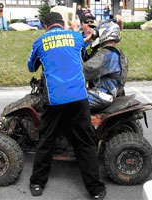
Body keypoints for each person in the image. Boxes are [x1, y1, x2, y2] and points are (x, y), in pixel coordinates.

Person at [27, 12, 106, 200]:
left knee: (46, 140)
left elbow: (31, 67)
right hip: (78, 98)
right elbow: (86, 45)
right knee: (85, 142)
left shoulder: (40, 41)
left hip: (54, 100)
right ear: (63, 24)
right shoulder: (76, 36)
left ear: (45, 25)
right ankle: (96, 190)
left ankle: (37, 183)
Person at [83, 21, 128, 111]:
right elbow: (88, 56)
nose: (95, 35)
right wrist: (92, 45)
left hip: (102, 94)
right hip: (108, 93)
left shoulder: (106, 54)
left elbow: (86, 70)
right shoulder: (114, 53)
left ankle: (81, 125)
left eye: (97, 32)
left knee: (73, 102)